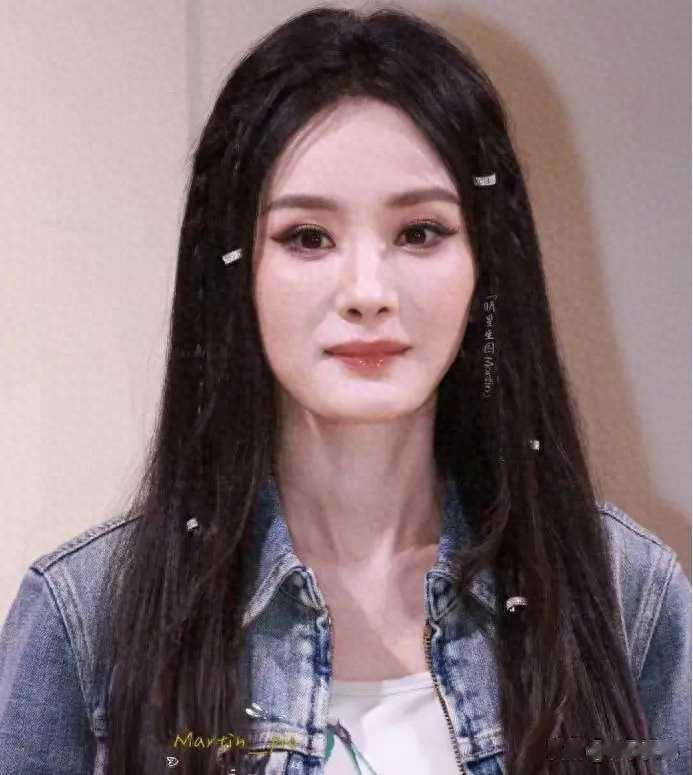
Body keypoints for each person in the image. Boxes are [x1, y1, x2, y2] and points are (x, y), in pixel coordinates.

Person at [0, 6, 689, 775]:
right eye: (307, 237)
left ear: (486, 264)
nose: (367, 291)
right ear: (233, 269)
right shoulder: (86, 620)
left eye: (420, 232)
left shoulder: (627, 595)